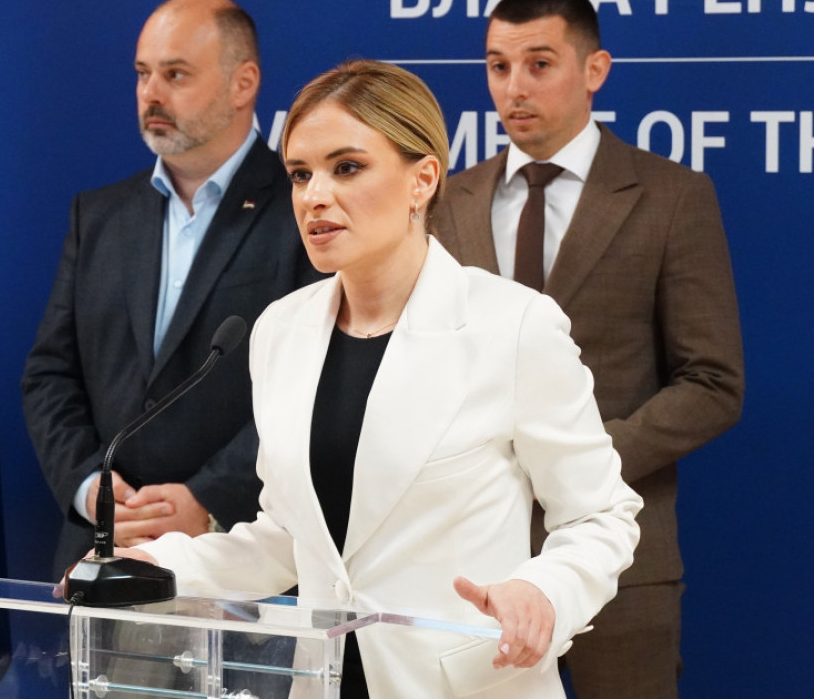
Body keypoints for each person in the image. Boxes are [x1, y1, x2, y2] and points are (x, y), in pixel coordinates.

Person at [102, 60, 642, 698]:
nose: (314, 195)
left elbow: (601, 516)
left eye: (347, 167)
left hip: (464, 684)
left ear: (423, 179)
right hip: (323, 680)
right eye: (300, 173)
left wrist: (543, 592)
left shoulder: (513, 326)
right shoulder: (281, 331)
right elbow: (288, 539)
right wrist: (158, 563)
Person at [433, 0, 745, 699]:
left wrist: (581, 463)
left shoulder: (672, 197)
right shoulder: (448, 202)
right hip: (473, 562)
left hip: (622, 559)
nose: (514, 87)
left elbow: (713, 382)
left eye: (539, 64)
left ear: (595, 69)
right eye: (498, 66)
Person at [22, 0, 316, 580]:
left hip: (241, 561)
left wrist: (209, 498)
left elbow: (314, 389)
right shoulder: (99, 215)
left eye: (175, 74)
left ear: (243, 83)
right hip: (103, 551)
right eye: (143, 74)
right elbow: (50, 374)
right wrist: (89, 487)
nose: (151, 93)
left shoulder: (304, 211)